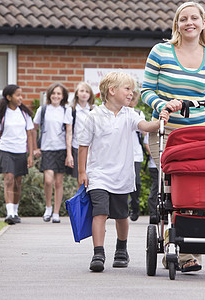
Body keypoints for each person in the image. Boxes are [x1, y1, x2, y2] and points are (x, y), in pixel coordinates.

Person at [141, 1, 205, 273]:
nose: (189, 23)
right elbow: (146, 89)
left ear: (203, 23)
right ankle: (182, 252)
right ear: (177, 25)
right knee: (174, 189)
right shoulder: (161, 52)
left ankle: (189, 250)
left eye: (194, 18)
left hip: (197, 134)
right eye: (183, 19)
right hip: (166, 132)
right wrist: (163, 104)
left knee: (195, 190)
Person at [78, 71, 169, 272]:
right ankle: (98, 253)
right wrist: (82, 173)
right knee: (100, 213)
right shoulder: (94, 116)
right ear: (112, 91)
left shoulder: (130, 114)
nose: (131, 93)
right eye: (127, 89)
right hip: (99, 175)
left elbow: (145, 126)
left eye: (132, 90)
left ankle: (121, 249)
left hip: (122, 176)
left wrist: (161, 120)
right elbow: (83, 145)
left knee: (121, 216)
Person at [0, 84, 35, 225]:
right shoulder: (2, 115)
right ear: (9, 97)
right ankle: (9, 212)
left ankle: (15, 211)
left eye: (21, 95)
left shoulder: (24, 114)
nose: (20, 98)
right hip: (6, 150)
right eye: (17, 95)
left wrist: (30, 155)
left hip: (21, 151)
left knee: (17, 182)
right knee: (9, 179)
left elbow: (30, 135)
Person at [33, 83, 72, 224]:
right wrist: (35, 148)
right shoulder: (43, 110)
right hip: (47, 148)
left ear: (63, 96)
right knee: (48, 180)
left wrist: (69, 154)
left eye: (59, 94)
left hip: (61, 149)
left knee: (58, 182)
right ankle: (48, 207)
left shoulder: (66, 110)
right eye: (54, 93)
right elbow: (33, 128)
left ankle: (56, 212)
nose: (56, 96)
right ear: (49, 95)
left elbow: (69, 132)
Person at [66, 82, 95, 179]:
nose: (84, 93)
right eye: (81, 91)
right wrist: (69, 154)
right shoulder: (71, 110)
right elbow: (69, 133)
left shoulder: (94, 110)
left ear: (90, 95)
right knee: (80, 179)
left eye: (87, 91)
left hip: (92, 149)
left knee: (91, 178)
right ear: (77, 94)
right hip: (77, 148)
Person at [127, 91, 145, 221]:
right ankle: (124, 207)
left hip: (136, 154)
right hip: (122, 153)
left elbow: (144, 130)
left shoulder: (138, 113)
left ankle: (135, 205)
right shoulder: (119, 112)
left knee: (136, 182)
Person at [143, 133, 159, 224]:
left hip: (166, 163)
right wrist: (156, 156)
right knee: (156, 187)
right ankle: (153, 213)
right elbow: (147, 144)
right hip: (154, 164)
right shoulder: (151, 126)